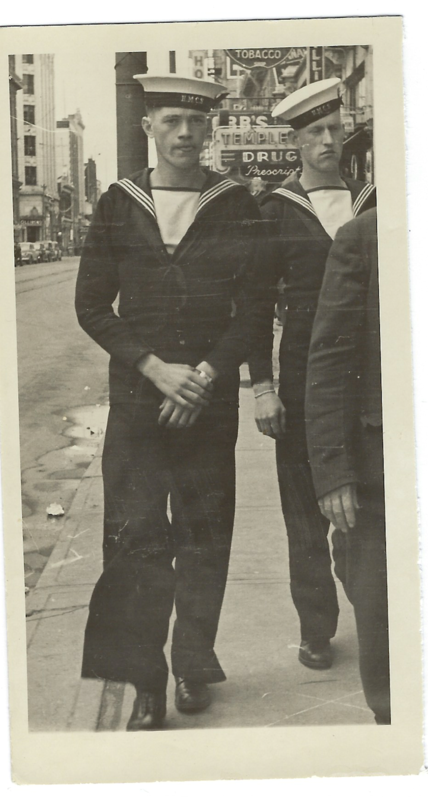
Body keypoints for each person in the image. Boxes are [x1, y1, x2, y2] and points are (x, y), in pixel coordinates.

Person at [75, 74, 262, 730]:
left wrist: (206, 375)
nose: (185, 132)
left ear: (211, 128)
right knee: (136, 541)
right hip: (137, 404)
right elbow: (92, 305)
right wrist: (156, 368)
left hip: (208, 407)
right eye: (172, 119)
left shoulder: (235, 202)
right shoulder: (119, 203)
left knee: (205, 536)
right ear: (149, 127)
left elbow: (257, 306)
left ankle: (192, 660)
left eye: (195, 121)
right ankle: (145, 682)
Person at [248, 79, 376, 671]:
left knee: (366, 507)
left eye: (334, 129)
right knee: (304, 515)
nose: (328, 140)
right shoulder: (275, 210)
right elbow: (249, 305)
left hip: (370, 382)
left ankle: (375, 611)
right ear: (295, 143)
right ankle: (316, 628)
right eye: (314, 133)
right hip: (301, 379)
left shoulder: (373, 202)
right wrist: (263, 388)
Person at [305, 208, 388, 724]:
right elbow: (330, 357)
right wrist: (334, 471)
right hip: (384, 465)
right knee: (380, 602)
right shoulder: (365, 235)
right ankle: (393, 726)